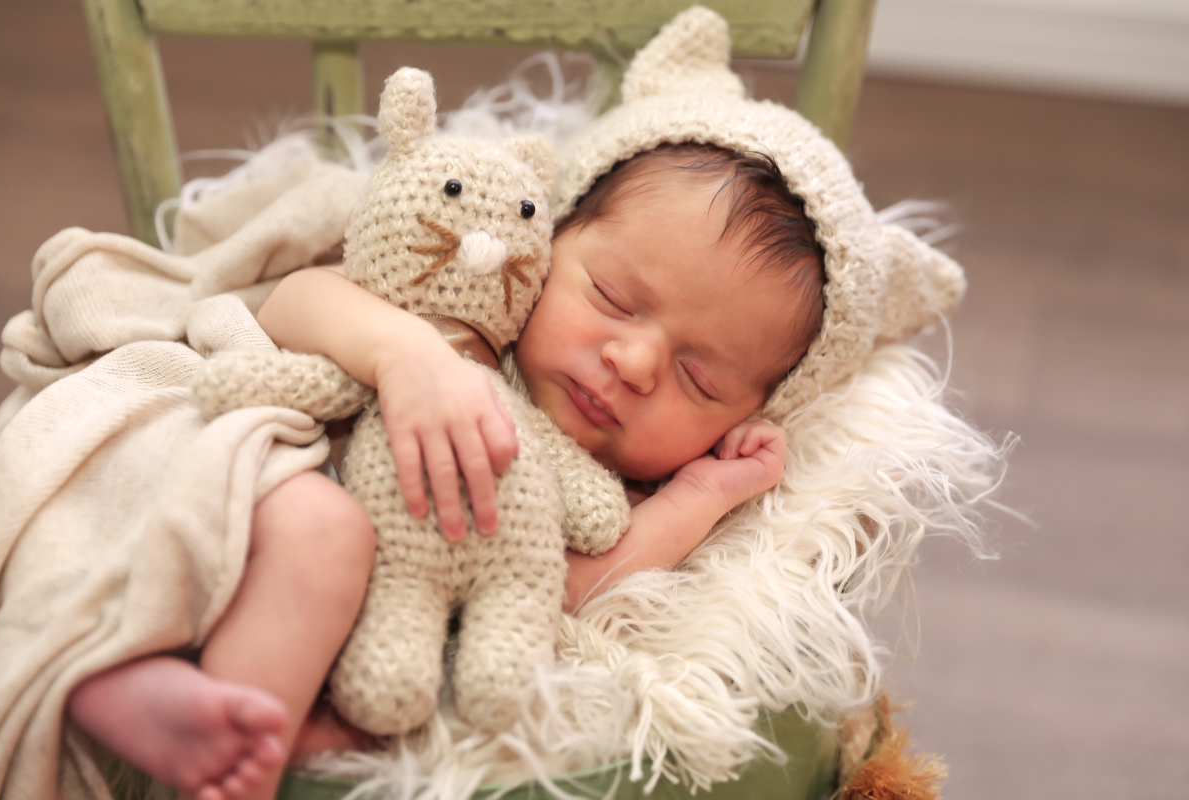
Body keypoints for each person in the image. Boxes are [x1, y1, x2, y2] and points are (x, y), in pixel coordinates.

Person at [63, 7, 969, 799]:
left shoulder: (608, 488)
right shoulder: (461, 317)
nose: (634, 363)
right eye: (613, 297)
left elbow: (569, 592)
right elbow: (293, 301)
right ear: (551, 235)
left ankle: (205, 721)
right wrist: (405, 355)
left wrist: (699, 498)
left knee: (361, 652)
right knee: (317, 532)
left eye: (700, 380)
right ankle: (140, 688)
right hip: (254, 498)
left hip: (367, 622)